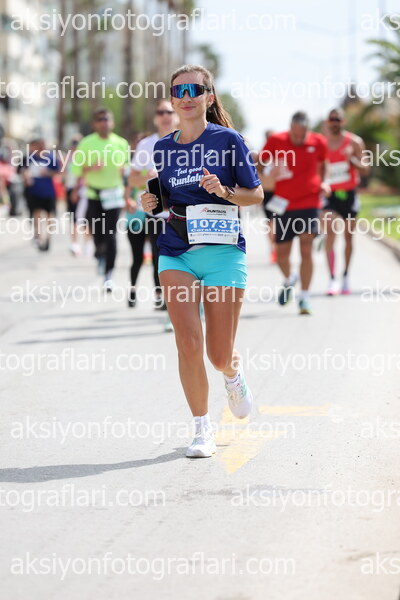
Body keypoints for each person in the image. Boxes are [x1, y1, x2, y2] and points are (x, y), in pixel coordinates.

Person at [142, 64, 263, 458]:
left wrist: (224, 191)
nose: (186, 96)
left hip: (224, 252)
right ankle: (201, 429)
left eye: (194, 89)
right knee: (188, 343)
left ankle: (232, 372)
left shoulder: (228, 140)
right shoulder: (163, 148)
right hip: (176, 250)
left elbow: (255, 195)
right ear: (172, 99)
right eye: (179, 91)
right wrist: (150, 202)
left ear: (209, 97)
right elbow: (165, 198)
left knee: (217, 354)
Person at [260, 112, 330, 315]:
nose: (299, 139)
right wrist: (268, 172)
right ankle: (290, 279)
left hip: (310, 202)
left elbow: (324, 162)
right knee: (282, 254)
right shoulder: (276, 140)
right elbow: (259, 163)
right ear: (290, 127)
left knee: (306, 248)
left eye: (303, 135)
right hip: (284, 204)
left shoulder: (318, 141)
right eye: (296, 134)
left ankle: (305, 298)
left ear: (308, 130)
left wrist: (325, 182)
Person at [126, 101, 179, 310]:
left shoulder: (188, 139)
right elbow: (132, 179)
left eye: (169, 112)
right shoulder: (146, 144)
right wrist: (148, 177)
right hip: (156, 213)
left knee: (184, 257)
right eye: (161, 112)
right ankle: (163, 297)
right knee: (159, 258)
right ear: (156, 118)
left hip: (184, 212)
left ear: (176, 115)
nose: (165, 116)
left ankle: (183, 299)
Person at [71, 108, 130, 291]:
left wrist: (128, 193)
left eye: (107, 119)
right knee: (97, 233)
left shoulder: (121, 143)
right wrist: (90, 169)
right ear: (94, 124)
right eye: (100, 119)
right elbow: (77, 170)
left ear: (112, 122)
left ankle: (109, 275)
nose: (104, 122)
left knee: (111, 234)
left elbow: (127, 170)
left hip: (114, 195)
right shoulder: (86, 143)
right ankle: (99, 254)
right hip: (93, 195)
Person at [322, 108, 368, 295]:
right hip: (330, 195)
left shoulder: (355, 142)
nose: (335, 122)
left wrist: (352, 160)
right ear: (328, 122)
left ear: (343, 121)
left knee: (348, 236)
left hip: (349, 194)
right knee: (331, 231)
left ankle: (346, 276)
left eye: (338, 119)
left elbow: (365, 169)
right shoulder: (322, 143)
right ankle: (332, 279)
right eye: (332, 119)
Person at [23, 138, 59, 251]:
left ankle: (48, 238)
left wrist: (47, 172)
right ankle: (38, 236)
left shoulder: (51, 158)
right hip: (34, 191)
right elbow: (24, 169)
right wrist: (26, 177)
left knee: (49, 216)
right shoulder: (30, 158)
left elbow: (58, 172)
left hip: (48, 191)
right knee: (37, 213)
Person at [256, 130, 277, 263]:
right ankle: (273, 247)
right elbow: (257, 174)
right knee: (270, 222)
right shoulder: (261, 156)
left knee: (279, 222)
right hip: (267, 193)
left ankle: (278, 246)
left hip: (279, 194)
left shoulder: (280, 155)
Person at [63, 134, 83, 256]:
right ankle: (75, 243)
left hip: (82, 190)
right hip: (70, 189)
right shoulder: (68, 158)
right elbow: (64, 173)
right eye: (74, 143)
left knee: (86, 218)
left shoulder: (85, 157)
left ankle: (88, 243)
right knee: (73, 217)